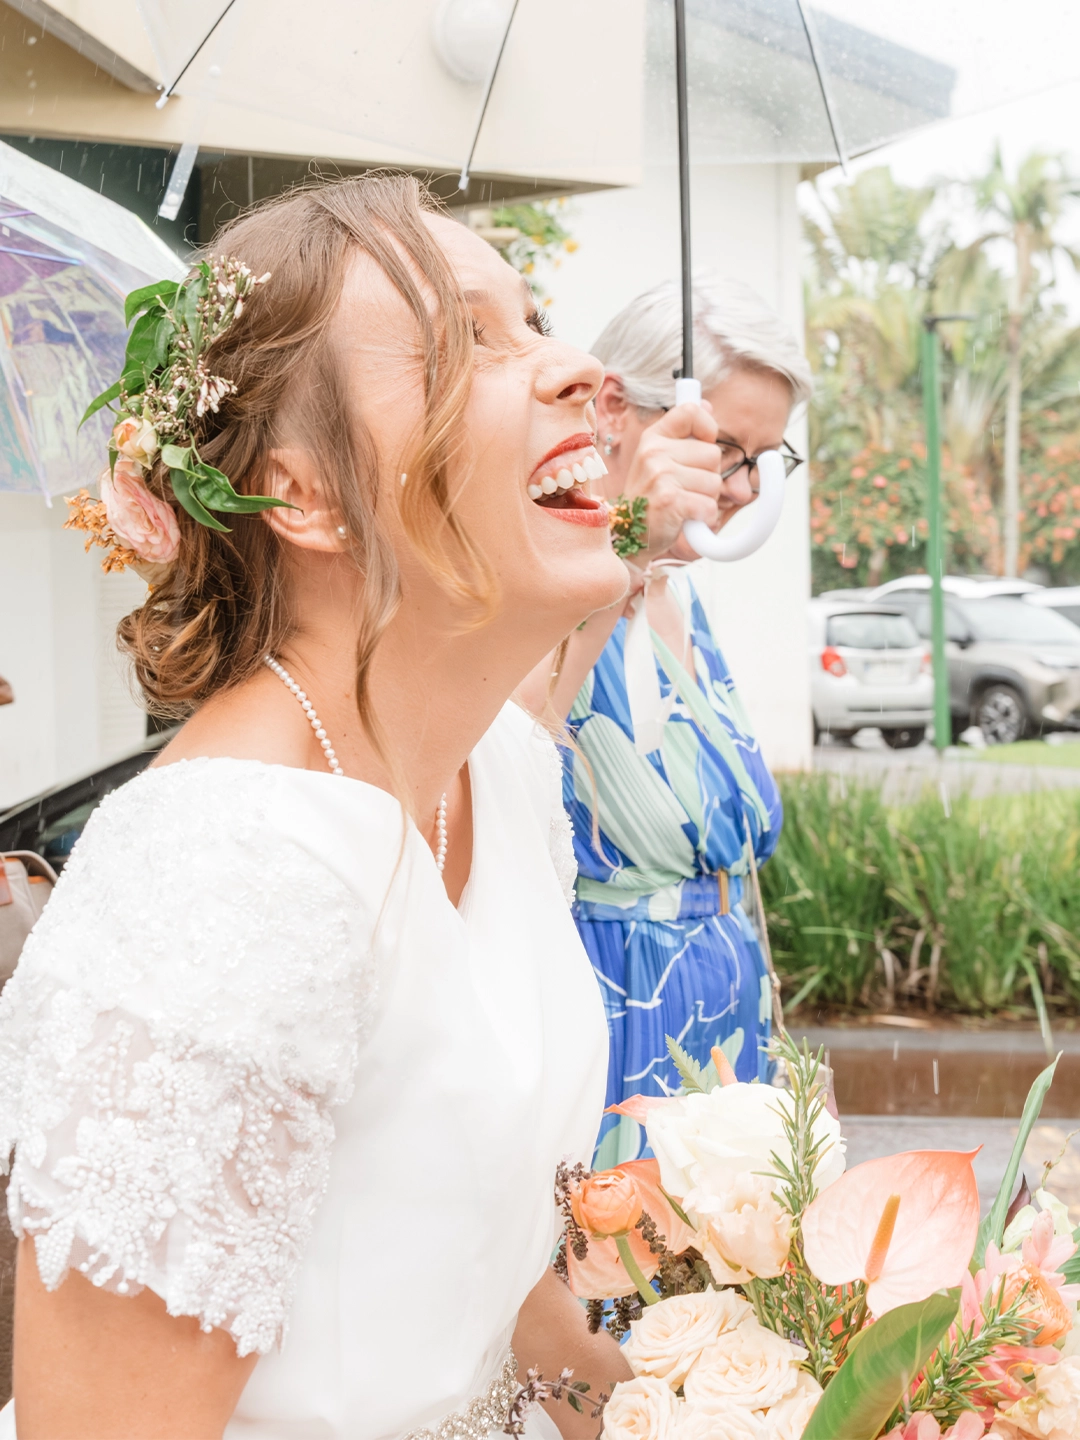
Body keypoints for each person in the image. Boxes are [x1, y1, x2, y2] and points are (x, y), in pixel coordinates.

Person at [0, 176, 632, 1439]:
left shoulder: (496, 773)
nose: (576, 369)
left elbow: (504, 1301)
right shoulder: (225, 876)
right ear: (306, 496)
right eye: (469, 342)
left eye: (538, 321)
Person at [521, 277, 812, 1168]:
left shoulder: (682, 593)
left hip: (728, 1022)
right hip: (618, 1026)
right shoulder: (530, 569)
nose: (742, 487)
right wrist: (622, 555)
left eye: (766, 457)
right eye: (725, 447)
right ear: (613, 407)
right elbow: (506, 753)